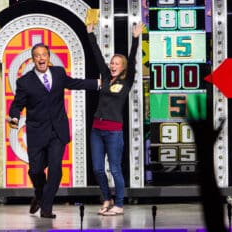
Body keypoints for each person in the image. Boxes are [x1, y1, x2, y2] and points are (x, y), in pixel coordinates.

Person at [8, 43, 100, 219]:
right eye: (37, 55)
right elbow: (17, 105)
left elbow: (74, 83)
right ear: (33, 59)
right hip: (36, 133)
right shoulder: (24, 81)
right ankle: (40, 195)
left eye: (44, 55)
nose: (41, 58)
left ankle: (46, 207)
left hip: (58, 132)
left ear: (48, 57)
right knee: (35, 170)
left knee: (56, 170)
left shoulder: (58, 72)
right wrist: (14, 117)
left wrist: (97, 83)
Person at [86, 22, 144, 216]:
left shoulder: (126, 80)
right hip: (96, 129)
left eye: (116, 64)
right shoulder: (104, 75)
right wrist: (90, 34)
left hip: (113, 131)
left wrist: (136, 39)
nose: (112, 66)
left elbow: (133, 60)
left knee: (115, 169)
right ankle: (107, 198)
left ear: (123, 67)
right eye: (111, 63)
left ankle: (118, 204)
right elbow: (96, 55)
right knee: (97, 169)